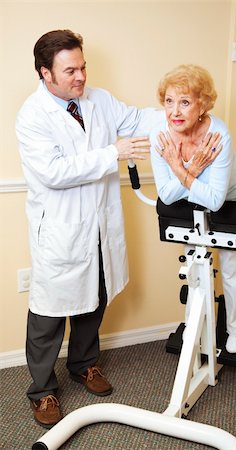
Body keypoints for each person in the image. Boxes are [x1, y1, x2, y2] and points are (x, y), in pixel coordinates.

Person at [16, 29, 163, 428]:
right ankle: (42, 390)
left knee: (94, 298)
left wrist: (177, 108)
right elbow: (53, 173)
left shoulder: (97, 99)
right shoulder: (32, 115)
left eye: (82, 67)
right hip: (60, 230)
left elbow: (136, 118)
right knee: (48, 316)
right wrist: (113, 152)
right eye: (70, 71)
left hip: (99, 224)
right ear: (45, 73)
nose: (80, 77)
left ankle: (84, 365)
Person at [150, 64, 236, 355]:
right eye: (169, 101)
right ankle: (195, 326)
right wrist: (192, 170)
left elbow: (217, 200)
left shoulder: (218, 134)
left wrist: (179, 170)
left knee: (233, 266)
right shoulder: (160, 132)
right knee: (195, 263)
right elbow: (167, 196)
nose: (174, 111)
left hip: (229, 198)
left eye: (184, 102)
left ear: (202, 105)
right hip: (189, 199)